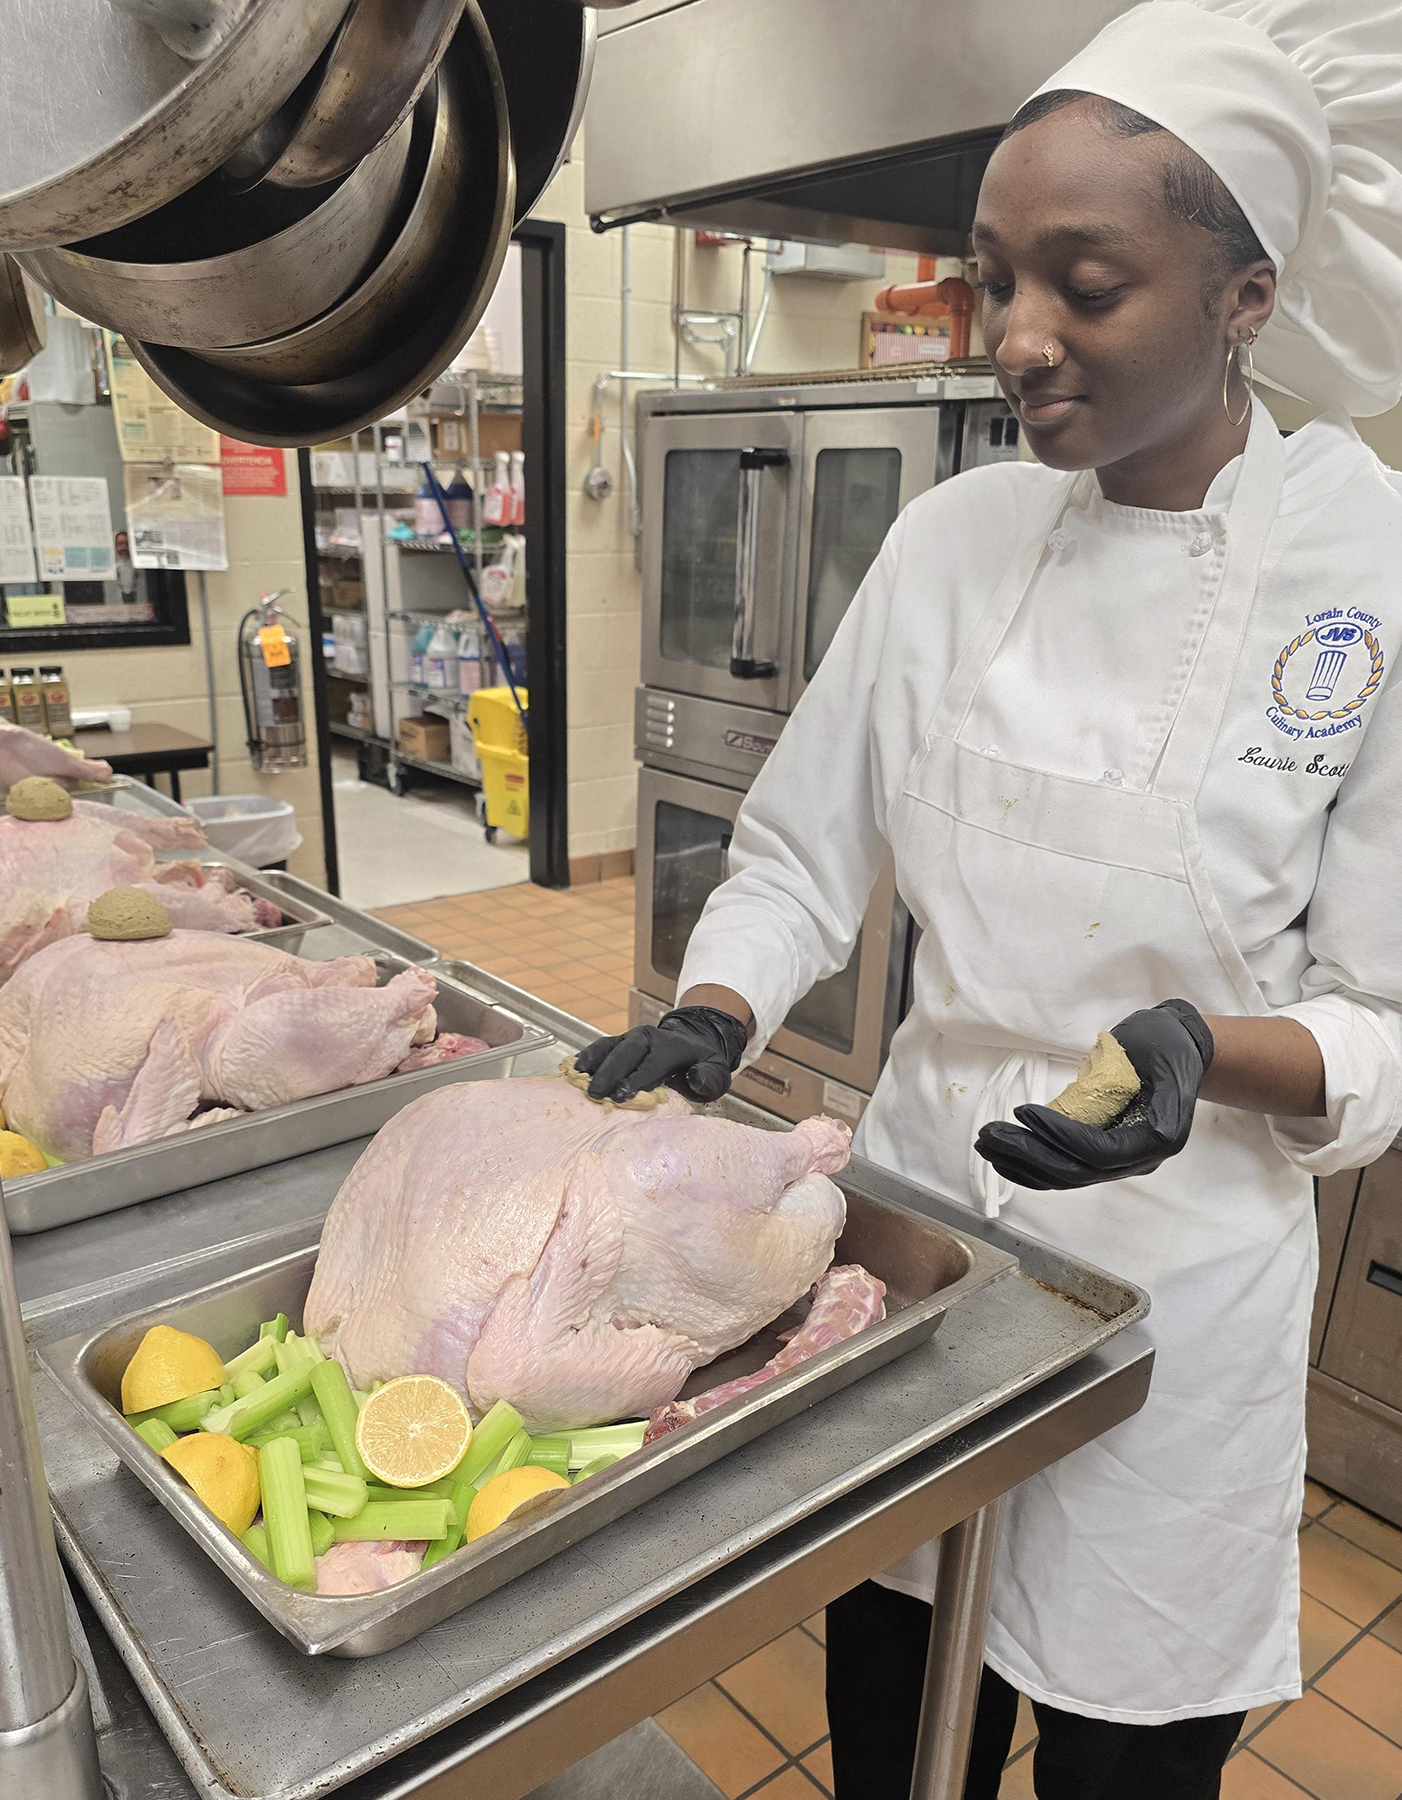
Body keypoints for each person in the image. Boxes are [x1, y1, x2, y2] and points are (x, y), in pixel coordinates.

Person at [577, 2, 1402, 1794]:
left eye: (1084, 284)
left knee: (1121, 1762)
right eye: (991, 279)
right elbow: (802, 850)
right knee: (894, 1719)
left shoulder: (1369, 566)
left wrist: (1208, 1049)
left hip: (1178, 1278)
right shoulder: (957, 536)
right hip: (927, 1217)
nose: (1017, 341)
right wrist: (719, 1008)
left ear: (1245, 296)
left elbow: (1385, 1012)